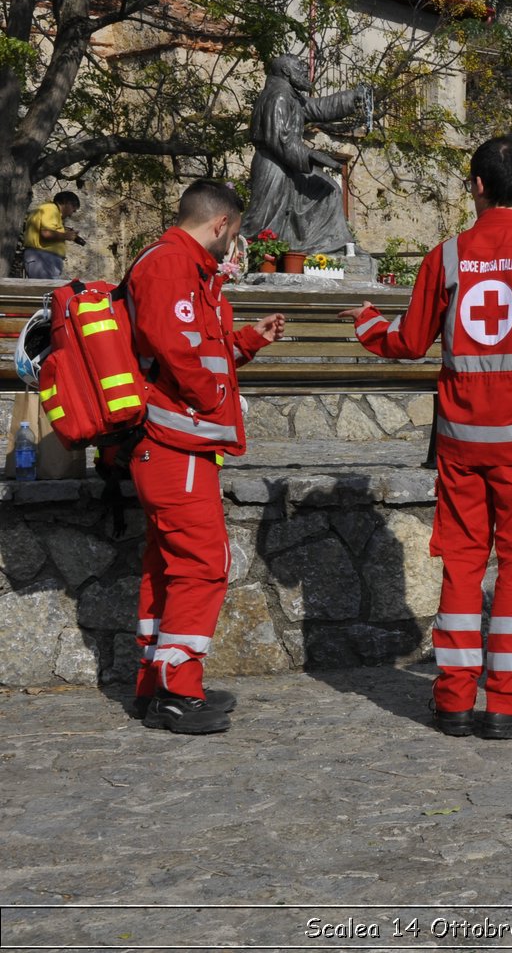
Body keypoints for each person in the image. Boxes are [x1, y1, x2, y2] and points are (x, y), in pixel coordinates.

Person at [341, 136, 512, 739]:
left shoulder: (447, 257)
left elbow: (407, 342)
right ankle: (508, 705)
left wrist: (368, 324)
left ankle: (453, 699)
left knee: (461, 565)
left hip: (461, 445)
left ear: (477, 186)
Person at [127, 180, 285, 733]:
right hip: (178, 444)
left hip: (172, 446)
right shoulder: (173, 264)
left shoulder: (184, 268)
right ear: (221, 223)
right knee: (203, 563)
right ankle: (178, 692)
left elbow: (197, 347)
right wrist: (216, 398)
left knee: (168, 567)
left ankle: (157, 684)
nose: (233, 245)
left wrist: (248, 340)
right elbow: (175, 347)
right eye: (235, 233)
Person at [240, 55, 369, 254]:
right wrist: (311, 156)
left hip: (290, 164)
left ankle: (325, 248)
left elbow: (319, 108)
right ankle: (246, 256)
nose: (305, 72)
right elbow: (280, 139)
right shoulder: (278, 96)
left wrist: (354, 97)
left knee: (328, 190)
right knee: (263, 220)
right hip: (273, 166)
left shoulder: (291, 96)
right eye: (300, 68)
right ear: (286, 72)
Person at [21, 191, 84, 279]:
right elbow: (46, 233)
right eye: (73, 210)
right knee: (44, 289)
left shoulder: (50, 210)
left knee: (47, 290)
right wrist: (66, 236)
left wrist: (63, 231)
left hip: (44, 258)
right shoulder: (51, 209)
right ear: (67, 203)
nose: (70, 214)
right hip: (42, 258)